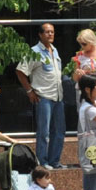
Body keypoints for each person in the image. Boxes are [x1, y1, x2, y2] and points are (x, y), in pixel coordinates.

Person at [16, 22, 65, 169]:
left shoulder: (55, 50)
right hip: (43, 97)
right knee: (43, 132)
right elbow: (20, 71)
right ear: (40, 34)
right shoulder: (34, 51)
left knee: (59, 131)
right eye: (47, 32)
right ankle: (42, 162)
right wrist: (29, 91)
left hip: (58, 97)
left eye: (52, 32)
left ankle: (54, 161)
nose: (50, 34)